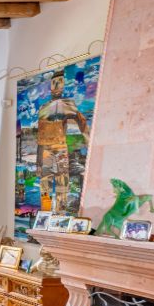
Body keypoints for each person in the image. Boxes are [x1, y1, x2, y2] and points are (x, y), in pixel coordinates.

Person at [36, 70, 89, 213]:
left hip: (60, 147)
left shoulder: (68, 104)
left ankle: (60, 216)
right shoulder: (43, 108)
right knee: (45, 184)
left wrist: (88, 141)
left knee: (61, 184)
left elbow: (82, 122)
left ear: (64, 85)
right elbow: (40, 137)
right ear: (50, 86)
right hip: (47, 150)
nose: (57, 85)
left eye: (60, 82)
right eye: (54, 82)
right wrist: (39, 161)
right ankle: (45, 215)